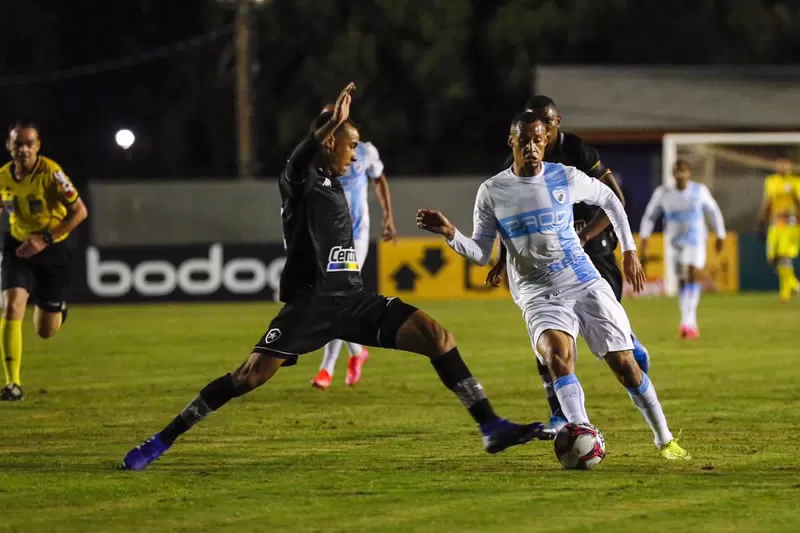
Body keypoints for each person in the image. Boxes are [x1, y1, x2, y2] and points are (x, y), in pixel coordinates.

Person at [120, 83, 544, 471]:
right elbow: (300, 158)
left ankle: (490, 426)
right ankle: (162, 440)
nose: (355, 155)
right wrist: (333, 122)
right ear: (328, 142)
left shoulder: (337, 182)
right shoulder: (300, 180)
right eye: (350, 145)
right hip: (311, 305)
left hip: (353, 299)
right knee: (246, 377)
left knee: (438, 336)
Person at [418, 112, 690, 460]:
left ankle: (665, 439)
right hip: (537, 293)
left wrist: (630, 250)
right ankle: (583, 432)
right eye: (524, 140)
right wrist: (450, 234)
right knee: (557, 358)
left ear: (546, 141)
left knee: (625, 366)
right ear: (511, 141)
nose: (532, 147)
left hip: (582, 279)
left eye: (538, 140)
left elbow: (610, 200)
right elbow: (481, 252)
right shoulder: (492, 191)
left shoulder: (565, 176)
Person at [486, 96, 650, 437]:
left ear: (556, 122)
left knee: (606, 318)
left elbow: (613, 199)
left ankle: (629, 344)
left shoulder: (577, 151)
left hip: (595, 247)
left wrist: (588, 237)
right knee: (549, 339)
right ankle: (561, 413)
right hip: (548, 256)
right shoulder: (519, 157)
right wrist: (501, 258)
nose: (544, 131)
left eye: (550, 122)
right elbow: (508, 218)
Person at [0, 122, 89, 401]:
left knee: (45, 331)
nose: (24, 149)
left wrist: (45, 240)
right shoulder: (2, 175)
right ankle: (12, 384)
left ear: (38, 146)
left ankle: (56, 306)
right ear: (9, 146)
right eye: (19, 144)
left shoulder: (52, 173)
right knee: (11, 306)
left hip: (52, 249)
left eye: (29, 144)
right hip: (18, 247)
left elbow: (80, 212)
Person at [312, 105, 397, 390]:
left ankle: (326, 369)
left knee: (337, 296)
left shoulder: (363, 150)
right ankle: (358, 352)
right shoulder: (315, 155)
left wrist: (388, 217)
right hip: (327, 236)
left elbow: (380, 179)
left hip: (356, 236)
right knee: (335, 299)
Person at [640, 160, 726, 338]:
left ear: (689, 174)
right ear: (673, 174)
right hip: (674, 242)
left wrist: (720, 234)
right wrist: (644, 236)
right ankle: (686, 321)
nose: (680, 175)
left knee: (691, 272)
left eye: (683, 171)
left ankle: (689, 321)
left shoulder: (698, 191)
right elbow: (650, 215)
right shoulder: (663, 193)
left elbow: (713, 211)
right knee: (681, 279)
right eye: (677, 172)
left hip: (695, 240)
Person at [757, 158, 800, 302]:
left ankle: (786, 293)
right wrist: (761, 222)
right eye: (780, 165)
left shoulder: (795, 182)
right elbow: (767, 202)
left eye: (785, 165)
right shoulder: (771, 181)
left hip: (789, 224)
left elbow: (798, 203)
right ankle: (794, 285)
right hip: (775, 224)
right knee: (772, 258)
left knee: (783, 255)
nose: (783, 167)